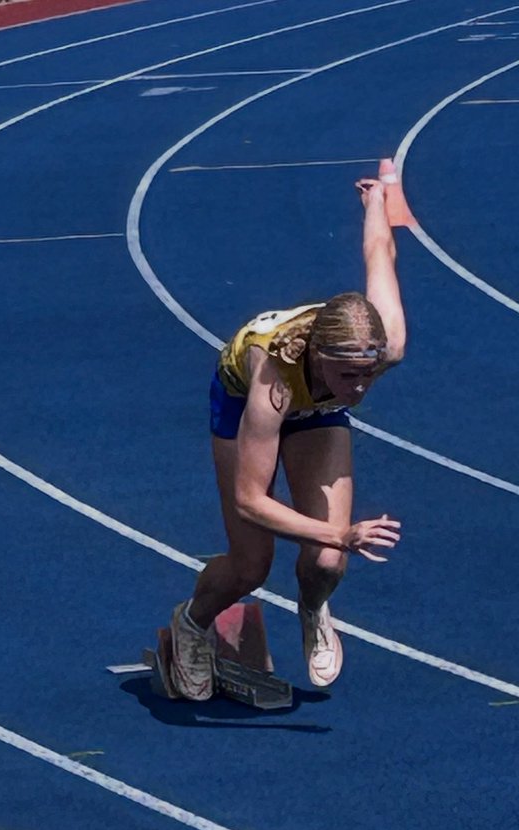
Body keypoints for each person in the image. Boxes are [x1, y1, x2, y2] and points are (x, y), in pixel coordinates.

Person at [166, 174, 407, 700]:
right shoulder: (274, 379)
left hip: (315, 408)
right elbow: (251, 500)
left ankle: (313, 606)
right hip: (243, 401)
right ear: (318, 356)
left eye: (368, 374)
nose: (361, 388)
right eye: (348, 376)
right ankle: (192, 622)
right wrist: (341, 532)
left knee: (324, 562)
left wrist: (375, 201)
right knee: (252, 565)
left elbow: (379, 254)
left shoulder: (382, 345)